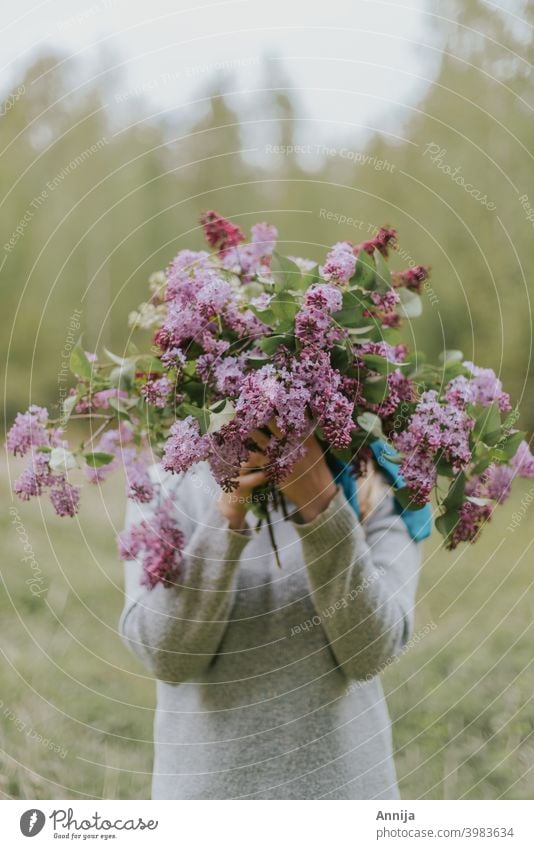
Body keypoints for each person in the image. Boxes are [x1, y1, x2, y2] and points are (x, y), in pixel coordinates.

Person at [118, 428, 424, 799]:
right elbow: (166, 658)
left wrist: (323, 506)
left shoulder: (376, 484)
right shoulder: (169, 486)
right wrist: (227, 515)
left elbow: (371, 653)